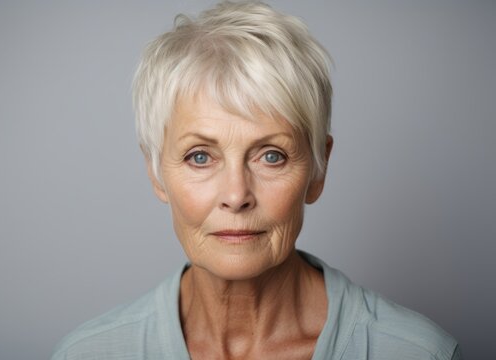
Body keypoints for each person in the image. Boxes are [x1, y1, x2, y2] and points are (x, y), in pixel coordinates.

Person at [51, 1, 461, 359]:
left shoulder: (419, 353)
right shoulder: (85, 354)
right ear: (156, 172)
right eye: (199, 157)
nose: (236, 195)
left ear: (318, 170)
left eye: (271, 156)